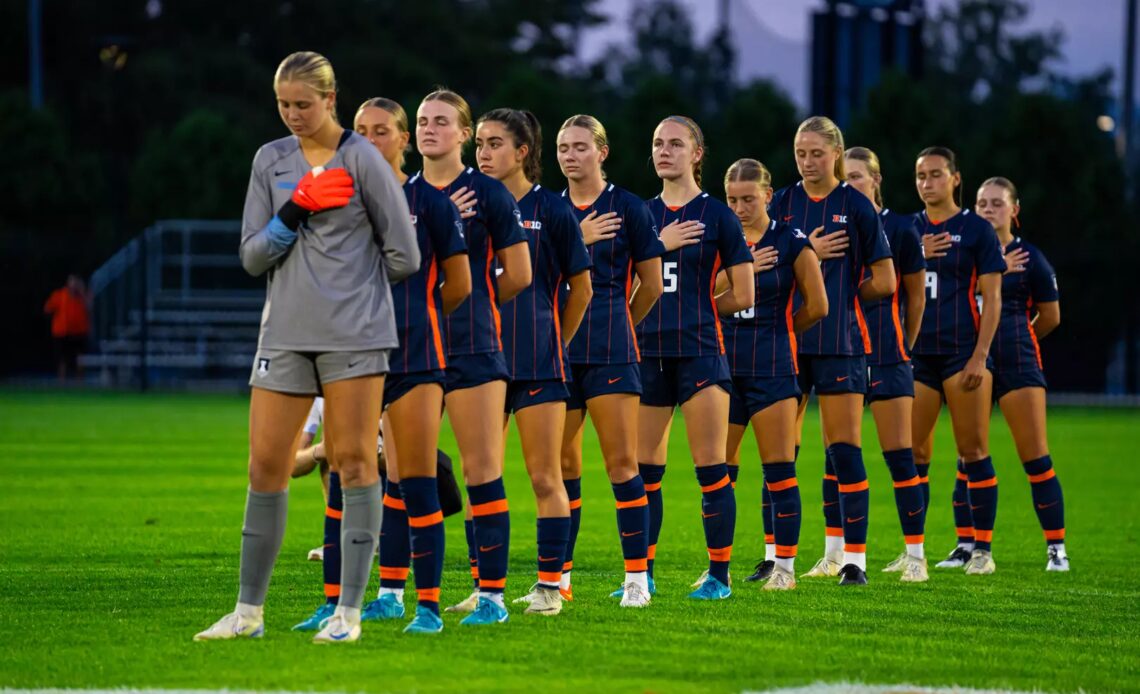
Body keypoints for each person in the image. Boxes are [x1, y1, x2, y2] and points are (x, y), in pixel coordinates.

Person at [193, 51, 419, 644]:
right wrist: (295, 209)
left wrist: (350, 284)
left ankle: (347, 614)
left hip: (355, 336)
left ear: (330, 98)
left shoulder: (363, 158)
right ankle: (247, 614)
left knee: (353, 462)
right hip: (285, 334)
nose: (293, 115)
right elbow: (251, 256)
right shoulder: (270, 160)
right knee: (265, 465)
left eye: (304, 104)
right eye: (283, 105)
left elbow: (406, 256)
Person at [338, 96, 469, 634]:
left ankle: (430, 608)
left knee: (415, 480)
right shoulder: (339, 203)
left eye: (383, 130)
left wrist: (415, 314)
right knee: (354, 477)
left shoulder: (432, 203)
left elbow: (458, 284)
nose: (371, 139)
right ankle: (358, 600)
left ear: (403, 140)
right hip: (358, 358)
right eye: (361, 130)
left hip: (417, 355)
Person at [415, 88, 532, 626]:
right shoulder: (400, 194)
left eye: (442, 121)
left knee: (481, 470)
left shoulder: (490, 194)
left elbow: (521, 274)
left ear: (463, 134)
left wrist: (476, 300)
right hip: (414, 346)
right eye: (421, 120)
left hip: (473, 345)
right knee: (402, 472)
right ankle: (401, 594)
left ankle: (491, 596)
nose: (428, 129)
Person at [474, 108, 593, 616]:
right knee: (482, 474)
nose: (483, 153)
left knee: (545, 477)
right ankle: (485, 588)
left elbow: (581, 289)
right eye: (478, 143)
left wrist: (555, 342)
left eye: (495, 143)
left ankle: (549, 589)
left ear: (523, 152)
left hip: (540, 361)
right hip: (481, 359)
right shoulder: (468, 205)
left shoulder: (554, 210)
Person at [771, 117, 895, 586]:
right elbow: (763, 263)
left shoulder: (857, 206)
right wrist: (811, 258)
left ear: (837, 154)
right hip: (786, 345)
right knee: (782, 452)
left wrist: (841, 298)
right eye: (800, 152)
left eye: (816, 153)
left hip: (841, 345)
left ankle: (854, 561)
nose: (806, 161)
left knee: (844, 451)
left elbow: (884, 280)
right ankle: (776, 559)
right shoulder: (782, 202)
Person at [635, 115, 754, 601]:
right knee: (644, 473)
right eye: (658, 143)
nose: (665, 151)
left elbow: (744, 291)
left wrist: (700, 312)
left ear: (697, 154)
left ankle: (719, 577)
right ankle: (641, 574)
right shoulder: (639, 214)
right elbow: (627, 286)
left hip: (702, 354)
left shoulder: (719, 216)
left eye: (676, 144)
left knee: (712, 468)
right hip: (647, 354)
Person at [555, 114, 664, 607]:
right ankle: (559, 579)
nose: (570, 156)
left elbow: (652, 284)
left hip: (611, 352)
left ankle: (637, 579)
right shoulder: (549, 209)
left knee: (622, 463)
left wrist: (619, 321)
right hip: (557, 352)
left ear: (602, 152)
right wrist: (578, 235)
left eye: (580, 147)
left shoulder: (630, 207)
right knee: (560, 466)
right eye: (562, 147)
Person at [720, 159, 827, 590]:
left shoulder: (791, 240)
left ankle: (784, 569)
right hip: (722, 369)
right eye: (732, 199)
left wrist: (781, 332)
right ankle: (717, 569)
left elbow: (818, 305)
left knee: (779, 470)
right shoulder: (721, 237)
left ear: (768, 195)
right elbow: (701, 296)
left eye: (749, 198)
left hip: (773, 369)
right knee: (718, 474)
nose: (740, 207)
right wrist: (747, 268)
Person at [910, 146, 1006, 576]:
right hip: (917, 357)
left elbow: (994, 297)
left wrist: (980, 357)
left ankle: (981, 551)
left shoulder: (976, 230)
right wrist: (916, 252)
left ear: (955, 179)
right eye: (920, 176)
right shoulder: (908, 229)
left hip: (962, 354)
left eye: (935, 175)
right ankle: (914, 551)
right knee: (913, 454)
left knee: (973, 450)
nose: (927, 183)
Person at [845, 146, 930, 582]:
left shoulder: (900, 228)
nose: (850, 185)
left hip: (887, 355)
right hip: (844, 353)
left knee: (902, 458)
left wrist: (905, 346)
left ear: (876, 181)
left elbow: (916, 295)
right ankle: (838, 553)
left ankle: (916, 556)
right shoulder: (836, 225)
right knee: (839, 458)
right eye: (846, 178)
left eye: (857, 177)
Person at [975, 176, 1068, 572]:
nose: (988, 210)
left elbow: (1050, 317)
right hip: (971, 362)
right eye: (981, 203)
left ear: (1014, 210)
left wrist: (1020, 335)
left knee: (1036, 458)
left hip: (1016, 360)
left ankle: (1056, 549)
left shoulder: (1031, 258)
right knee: (970, 457)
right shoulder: (964, 254)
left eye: (997, 203)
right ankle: (970, 546)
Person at [43, 274, 90, 382]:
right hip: (62, 333)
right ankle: (62, 381)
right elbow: (47, 308)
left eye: (76, 282)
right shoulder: (59, 295)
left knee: (80, 358)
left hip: (79, 333)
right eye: (72, 282)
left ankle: (80, 382)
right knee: (62, 358)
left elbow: (89, 307)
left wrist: (82, 292)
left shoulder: (83, 296)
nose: (74, 285)